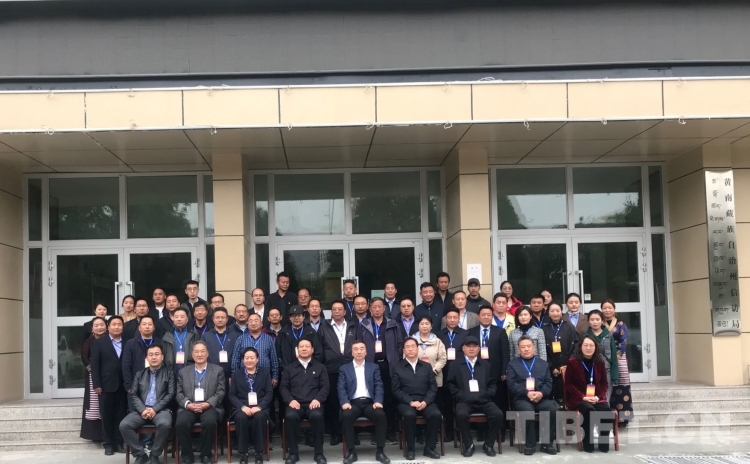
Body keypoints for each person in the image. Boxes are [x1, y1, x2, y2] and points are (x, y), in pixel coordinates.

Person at [446, 335, 503, 457]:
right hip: (464, 401)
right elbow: (450, 384)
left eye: (474, 346)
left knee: (498, 414)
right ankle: (468, 444)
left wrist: (487, 394)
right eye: (468, 346)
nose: (471, 349)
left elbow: (492, 383)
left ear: (479, 349)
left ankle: (488, 444)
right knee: (461, 414)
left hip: (484, 400)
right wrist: (460, 395)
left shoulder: (486, 364)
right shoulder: (455, 364)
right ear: (463, 348)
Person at [119, 343, 175, 464]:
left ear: (162, 357)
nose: (154, 357)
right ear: (146, 358)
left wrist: (155, 409)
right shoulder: (139, 374)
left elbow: (170, 394)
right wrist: (143, 409)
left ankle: (155, 455)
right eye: (151, 355)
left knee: (165, 424)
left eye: (157, 354)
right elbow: (133, 394)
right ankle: (140, 454)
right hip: (142, 410)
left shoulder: (169, 374)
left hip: (161, 411)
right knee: (124, 425)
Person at [338, 341, 390, 464]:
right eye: (356, 349)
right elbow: (341, 387)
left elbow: (378, 385)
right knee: (346, 416)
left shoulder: (374, 367)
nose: (359, 351)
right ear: (352, 352)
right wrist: (345, 402)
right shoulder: (344, 368)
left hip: (370, 403)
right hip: (352, 403)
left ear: (366, 352)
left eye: (362, 349)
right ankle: (351, 452)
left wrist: (378, 401)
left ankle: (380, 451)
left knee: (380, 415)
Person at [358, 297, 401, 444]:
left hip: (389, 365)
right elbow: (359, 345)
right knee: (373, 399)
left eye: (379, 306)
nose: (377, 309)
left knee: (389, 398)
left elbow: (399, 344)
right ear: (370, 309)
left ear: (384, 308)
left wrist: (396, 359)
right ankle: (375, 433)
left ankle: (390, 431)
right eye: (374, 307)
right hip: (371, 365)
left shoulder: (392, 324)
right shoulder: (364, 325)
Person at [280, 339, 329, 464]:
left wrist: (318, 399)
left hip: (314, 403)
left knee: (317, 417)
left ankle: (319, 453)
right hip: (295, 404)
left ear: (312, 350)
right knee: (290, 417)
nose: (304, 348)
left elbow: (325, 387)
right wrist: (290, 400)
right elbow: (283, 388)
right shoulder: (289, 368)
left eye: (307, 346)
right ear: (297, 350)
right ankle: (293, 453)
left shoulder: (320, 367)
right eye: (301, 346)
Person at [175, 341, 226, 464]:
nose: (199, 354)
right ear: (192, 354)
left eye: (202, 351)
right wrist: (188, 404)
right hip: (189, 406)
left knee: (209, 422)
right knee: (181, 423)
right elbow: (179, 393)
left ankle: (206, 455)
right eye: (196, 352)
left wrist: (208, 404)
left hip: (209, 406)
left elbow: (221, 392)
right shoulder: (183, 372)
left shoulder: (218, 370)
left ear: (207, 353)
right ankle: (187, 455)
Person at [506, 336, 557, 456]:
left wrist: (541, 393)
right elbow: (512, 384)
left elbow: (548, 383)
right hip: (522, 398)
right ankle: (530, 444)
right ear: (518, 349)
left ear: (534, 348)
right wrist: (526, 393)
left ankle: (547, 443)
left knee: (552, 409)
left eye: (529, 346)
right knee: (527, 411)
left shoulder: (543, 364)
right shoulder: (513, 364)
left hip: (541, 397)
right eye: (523, 347)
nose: (526, 349)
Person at [391, 338, 441, 460]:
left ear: (418, 349)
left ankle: (429, 448)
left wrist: (425, 401)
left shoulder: (427, 366)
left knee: (435, 414)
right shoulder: (397, 367)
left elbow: (433, 387)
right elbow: (396, 390)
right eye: (407, 347)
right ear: (403, 350)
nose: (410, 349)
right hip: (406, 402)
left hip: (425, 401)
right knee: (409, 415)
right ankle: (410, 449)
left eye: (413, 346)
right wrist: (411, 402)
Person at [565, 335, 615, 453]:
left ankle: (603, 442)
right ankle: (588, 441)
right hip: (578, 399)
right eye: (585, 345)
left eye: (591, 345)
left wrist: (598, 396)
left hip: (596, 398)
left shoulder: (599, 362)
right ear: (580, 347)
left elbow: (604, 384)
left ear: (596, 347)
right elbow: (568, 385)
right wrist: (583, 397)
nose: (588, 348)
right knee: (589, 409)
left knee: (607, 410)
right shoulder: (572, 362)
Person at [319, 299, 357, 446]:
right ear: (331, 312)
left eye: (340, 309)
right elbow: (320, 349)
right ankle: (335, 433)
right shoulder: (324, 327)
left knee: (351, 400)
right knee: (333, 402)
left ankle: (352, 434)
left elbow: (359, 345)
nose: (337, 311)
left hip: (350, 368)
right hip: (331, 369)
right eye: (334, 309)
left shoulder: (353, 326)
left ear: (345, 311)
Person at [467, 305, 510, 432]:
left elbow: (505, 353)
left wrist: (504, 371)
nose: (486, 317)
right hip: (477, 372)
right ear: (478, 317)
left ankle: (500, 430)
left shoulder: (500, 331)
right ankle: (482, 430)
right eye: (483, 315)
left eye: (489, 315)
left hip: (496, 373)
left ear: (492, 317)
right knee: (480, 401)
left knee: (499, 401)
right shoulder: (471, 331)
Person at [229, 347, 273, 464]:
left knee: (259, 417)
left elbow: (269, 393)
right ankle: (244, 453)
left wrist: (259, 407)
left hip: (260, 406)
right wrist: (243, 407)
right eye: (247, 358)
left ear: (257, 359)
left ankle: (259, 453)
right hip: (242, 407)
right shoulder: (236, 374)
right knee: (241, 417)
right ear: (243, 360)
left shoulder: (265, 373)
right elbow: (232, 395)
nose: (249, 360)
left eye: (252, 358)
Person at [91, 315, 127, 455]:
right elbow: (95, 365)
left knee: (120, 415)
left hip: (123, 385)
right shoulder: (99, 343)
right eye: (114, 324)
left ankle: (119, 442)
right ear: (108, 326)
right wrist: (97, 384)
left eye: (119, 324)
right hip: (106, 385)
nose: (117, 327)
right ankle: (108, 444)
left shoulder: (128, 341)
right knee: (106, 416)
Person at [436, 307, 467, 442]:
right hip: (444, 372)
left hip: (461, 372)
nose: (452, 320)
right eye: (450, 317)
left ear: (459, 319)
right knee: (446, 403)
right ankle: (448, 432)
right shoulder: (439, 334)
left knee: (460, 403)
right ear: (445, 319)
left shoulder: (465, 334)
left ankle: (461, 432)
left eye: (455, 317)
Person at [601, 299, 634, 427]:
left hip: (619, 357)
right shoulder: (600, 323)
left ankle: (623, 418)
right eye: (605, 308)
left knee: (622, 384)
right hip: (604, 357)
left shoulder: (621, 324)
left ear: (614, 309)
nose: (607, 310)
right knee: (606, 384)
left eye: (610, 308)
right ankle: (608, 417)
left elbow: (623, 341)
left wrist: (616, 357)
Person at [122, 315, 161, 410]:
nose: (147, 326)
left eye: (150, 324)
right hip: (136, 386)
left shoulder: (160, 342)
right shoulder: (131, 343)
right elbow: (126, 365)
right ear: (139, 328)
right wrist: (129, 386)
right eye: (144, 324)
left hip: (156, 386)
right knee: (135, 414)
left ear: (154, 327)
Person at [542, 302, 578, 404]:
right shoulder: (544, 329)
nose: (555, 313)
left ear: (561, 312)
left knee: (567, 394)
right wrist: (551, 367)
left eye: (557, 310)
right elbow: (542, 350)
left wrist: (569, 364)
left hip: (567, 366)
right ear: (548, 313)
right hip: (550, 367)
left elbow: (575, 346)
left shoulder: (569, 326)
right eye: (552, 311)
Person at [276, 306, 323, 377]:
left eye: (299, 315)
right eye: (293, 316)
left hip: (308, 371)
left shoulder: (311, 332)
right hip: (288, 371)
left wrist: (311, 367)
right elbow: (278, 354)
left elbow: (318, 352)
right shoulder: (283, 333)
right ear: (290, 318)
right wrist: (283, 369)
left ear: (304, 317)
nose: (296, 318)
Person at [81, 316, 107, 443]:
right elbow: (84, 357)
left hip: (108, 375)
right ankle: (95, 435)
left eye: (102, 325)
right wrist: (94, 369)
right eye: (96, 325)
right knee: (94, 405)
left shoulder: (110, 340)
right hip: (92, 375)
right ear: (92, 328)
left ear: (106, 326)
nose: (99, 327)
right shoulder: (88, 342)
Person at [586, 309, 618, 398]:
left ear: (602, 321)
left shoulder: (609, 335)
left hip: (606, 370)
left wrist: (615, 376)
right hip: (590, 371)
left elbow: (614, 356)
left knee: (605, 397)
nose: (595, 322)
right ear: (588, 322)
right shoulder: (585, 336)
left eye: (597, 319)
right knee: (591, 397)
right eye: (592, 320)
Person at [412, 315, 447, 389]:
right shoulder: (412, 341)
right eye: (422, 324)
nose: (424, 326)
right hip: (415, 377)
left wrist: (433, 371)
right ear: (418, 326)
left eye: (427, 324)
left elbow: (442, 358)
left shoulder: (438, 341)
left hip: (434, 377)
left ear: (431, 326)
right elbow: (406, 357)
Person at [161, 308, 200, 375]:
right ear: (173, 319)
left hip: (190, 372)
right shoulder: (166, 336)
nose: (179, 319)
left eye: (182, 317)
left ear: (187, 319)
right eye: (176, 317)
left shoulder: (193, 335)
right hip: (171, 372)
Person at [202, 307, 237, 382]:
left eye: (222, 317)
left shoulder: (235, 336)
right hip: (211, 374)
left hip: (230, 375)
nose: (220, 320)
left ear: (227, 319)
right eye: (217, 317)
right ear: (213, 319)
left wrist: (234, 375)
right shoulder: (206, 336)